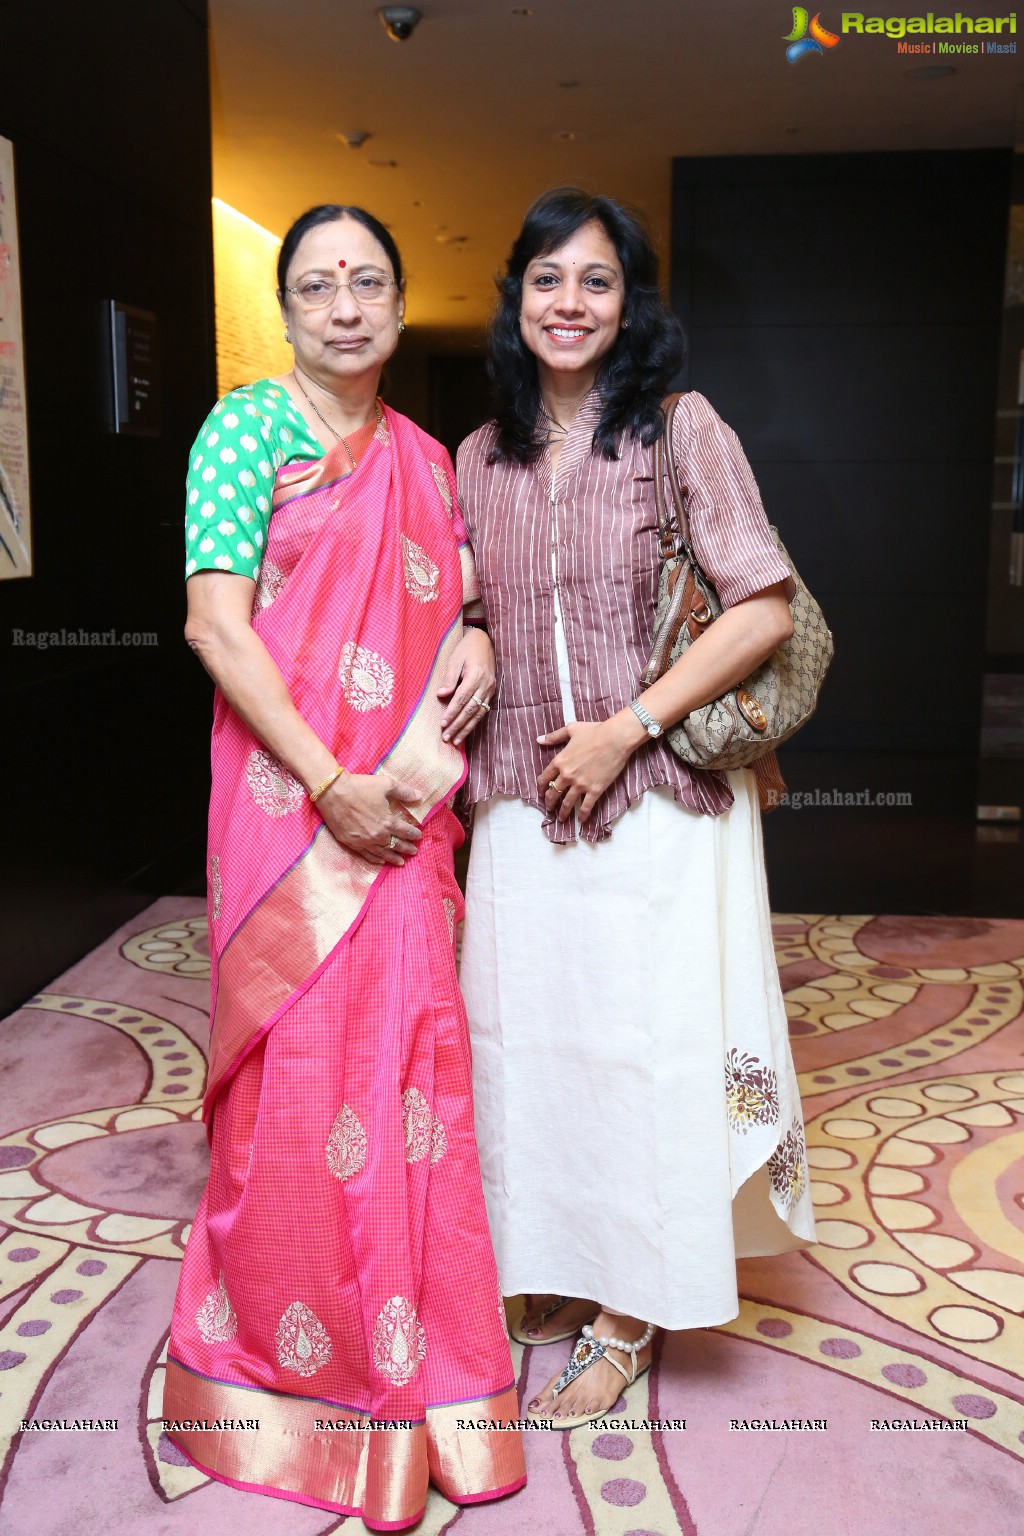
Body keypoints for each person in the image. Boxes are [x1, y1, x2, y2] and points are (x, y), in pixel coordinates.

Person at [164, 203, 526, 1527]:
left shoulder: (430, 458)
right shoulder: (244, 431)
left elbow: (459, 595)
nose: (346, 306)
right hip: (294, 810)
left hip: (412, 818)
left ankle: (427, 1380)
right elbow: (217, 630)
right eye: (316, 286)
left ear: (396, 294)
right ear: (287, 309)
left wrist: (480, 632)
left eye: (367, 280)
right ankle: (286, 1390)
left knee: (413, 1075)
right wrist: (329, 783)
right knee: (299, 1085)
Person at [456, 187, 817, 1430]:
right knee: (534, 1056)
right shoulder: (476, 455)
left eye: (596, 282)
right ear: (515, 298)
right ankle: (561, 1267)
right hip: (517, 805)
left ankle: (634, 1308)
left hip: (656, 803)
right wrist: (470, 635)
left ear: (628, 303)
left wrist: (628, 728)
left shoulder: (678, 429)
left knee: (647, 1054)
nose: (569, 303)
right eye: (546, 279)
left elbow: (762, 605)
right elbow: (468, 606)